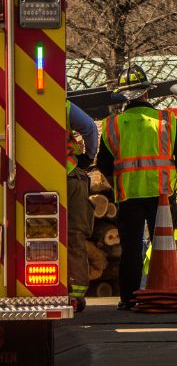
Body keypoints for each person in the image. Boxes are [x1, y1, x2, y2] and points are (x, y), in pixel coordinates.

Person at [96, 64, 177, 309]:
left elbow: (103, 164)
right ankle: (164, 293)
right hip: (161, 194)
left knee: (132, 249)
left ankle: (129, 299)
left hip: (128, 195)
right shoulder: (166, 120)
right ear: (147, 93)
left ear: (123, 96)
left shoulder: (112, 125)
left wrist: (120, 181)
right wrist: (173, 177)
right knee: (164, 247)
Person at [66, 100, 99, 312]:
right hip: (69, 175)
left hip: (26, 181)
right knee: (74, 235)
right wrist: (88, 157)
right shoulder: (62, 104)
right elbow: (89, 127)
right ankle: (75, 295)